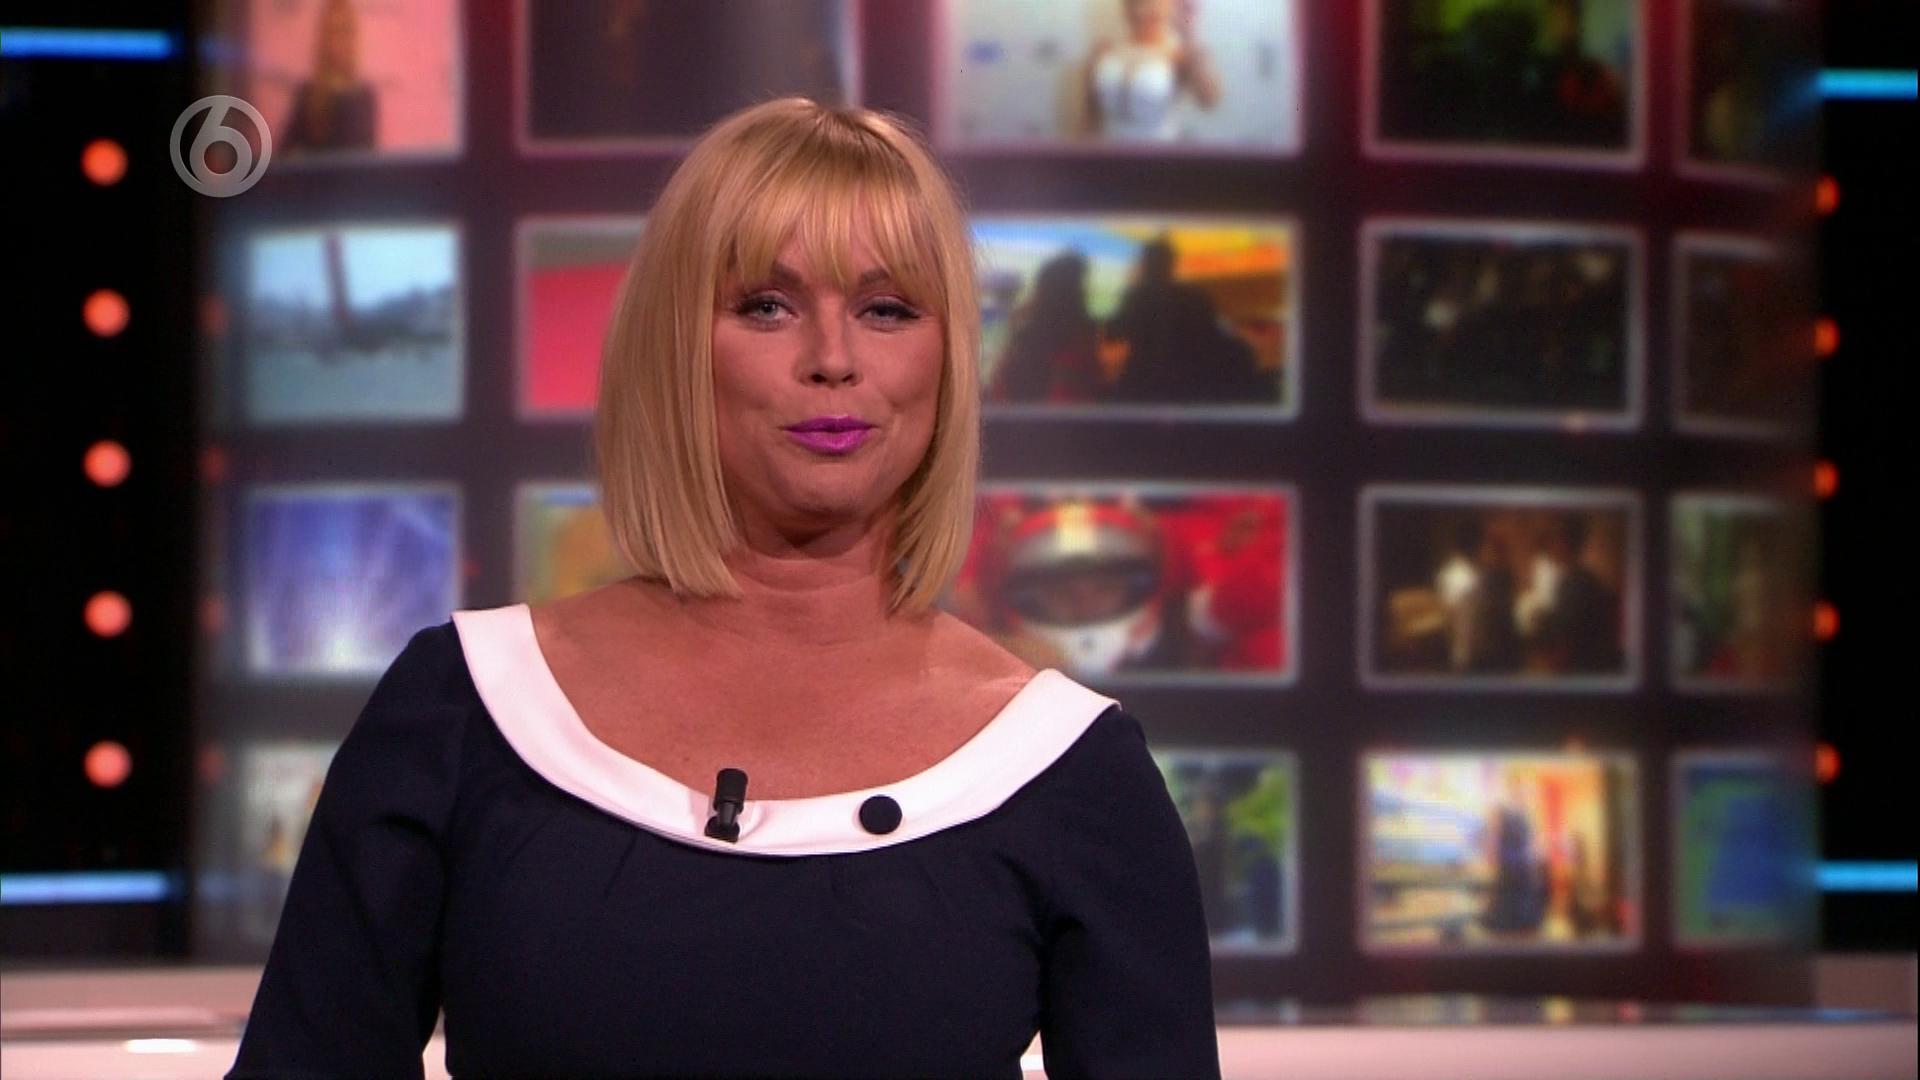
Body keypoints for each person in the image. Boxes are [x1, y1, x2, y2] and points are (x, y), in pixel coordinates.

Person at [228, 98, 1220, 1079]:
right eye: (766, 306)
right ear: (675, 346)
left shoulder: (1069, 769)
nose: (832, 360)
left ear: (949, 356)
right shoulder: (464, 707)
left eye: (886, 310)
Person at [1083, 0, 1222, 142]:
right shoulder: (1103, 51)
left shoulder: (1181, 54)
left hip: (1160, 153)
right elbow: (1088, 121)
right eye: (1134, 3)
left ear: (1169, 5)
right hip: (1109, 152)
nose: (1141, 11)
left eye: (1151, 3)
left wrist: (1189, 35)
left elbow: (1209, 100)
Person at [280, 0, 377, 154]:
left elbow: (368, 156)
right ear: (324, 39)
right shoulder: (307, 95)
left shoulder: (365, 96)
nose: (342, 39)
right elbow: (284, 155)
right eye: (335, 31)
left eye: (347, 30)